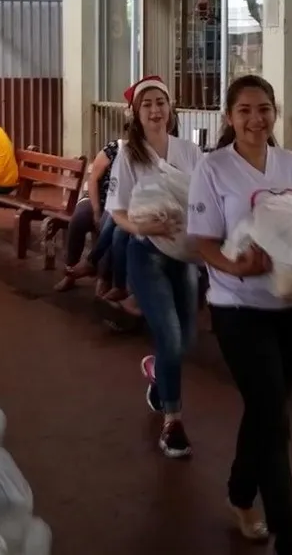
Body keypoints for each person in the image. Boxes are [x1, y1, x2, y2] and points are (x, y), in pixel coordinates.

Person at [186, 74, 292, 553]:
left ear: (275, 113)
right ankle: (288, 533)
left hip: (291, 305)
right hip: (237, 307)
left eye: (264, 109)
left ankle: (240, 493)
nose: (256, 119)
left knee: (266, 411)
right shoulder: (213, 168)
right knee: (273, 417)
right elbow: (202, 241)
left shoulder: (291, 165)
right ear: (229, 117)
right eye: (245, 110)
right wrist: (235, 267)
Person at [105, 75, 201, 459]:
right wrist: (143, 228)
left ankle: (158, 377)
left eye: (160, 102)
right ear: (136, 113)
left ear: (171, 109)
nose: (155, 110)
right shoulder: (130, 155)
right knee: (171, 338)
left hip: (186, 254)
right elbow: (118, 211)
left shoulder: (190, 152)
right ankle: (173, 422)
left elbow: (205, 198)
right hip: (147, 253)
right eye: (147, 105)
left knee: (185, 340)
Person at [54, 139, 122, 292]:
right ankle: (71, 270)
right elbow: (93, 180)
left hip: (117, 205)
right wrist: (96, 210)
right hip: (96, 197)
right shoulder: (114, 149)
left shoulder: (148, 155)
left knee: (107, 226)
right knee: (79, 219)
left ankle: (103, 279)